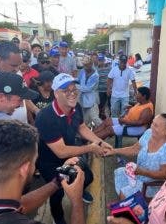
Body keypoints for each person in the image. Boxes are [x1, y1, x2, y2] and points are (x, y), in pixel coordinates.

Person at [0, 119, 85, 224]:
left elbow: (18, 207)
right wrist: (76, 201)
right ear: (24, 169)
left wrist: (57, 181)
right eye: (34, 161)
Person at [35, 73, 112, 224]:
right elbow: (61, 151)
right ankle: (58, 220)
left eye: (74, 89)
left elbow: (82, 127)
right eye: (66, 90)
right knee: (56, 193)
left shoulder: (76, 106)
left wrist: (99, 142)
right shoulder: (46, 117)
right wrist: (91, 148)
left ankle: (79, 191)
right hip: (50, 162)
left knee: (88, 177)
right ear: (56, 93)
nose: (72, 93)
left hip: (71, 154)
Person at [105, 114, 166, 199]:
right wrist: (113, 151)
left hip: (152, 185)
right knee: (120, 173)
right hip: (138, 175)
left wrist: (142, 172)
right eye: (153, 123)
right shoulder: (148, 133)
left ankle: (126, 208)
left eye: (156, 126)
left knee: (125, 192)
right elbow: (134, 149)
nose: (152, 127)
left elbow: (164, 175)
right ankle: (127, 206)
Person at [78, 56, 102, 127]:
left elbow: (88, 88)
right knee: (84, 120)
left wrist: (76, 87)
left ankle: (106, 130)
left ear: (91, 64)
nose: (85, 67)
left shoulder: (95, 75)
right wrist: (72, 80)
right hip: (83, 100)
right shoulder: (82, 71)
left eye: (87, 65)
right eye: (84, 65)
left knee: (95, 118)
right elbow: (79, 80)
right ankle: (86, 134)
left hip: (92, 100)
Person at [97, 53, 111, 120]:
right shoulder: (96, 70)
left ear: (104, 60)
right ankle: (101, 116)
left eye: (102, 60)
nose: (100, 62)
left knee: (109, 105)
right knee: (101, 105)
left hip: (108, 90)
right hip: (100, 90)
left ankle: (110, 118)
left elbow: (111, 78)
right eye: (99, 60)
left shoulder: (109, 68)